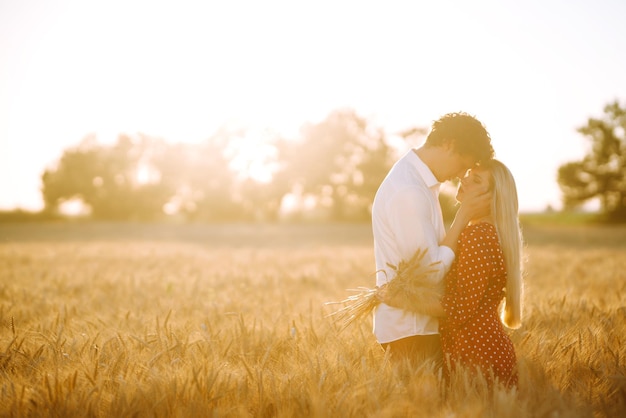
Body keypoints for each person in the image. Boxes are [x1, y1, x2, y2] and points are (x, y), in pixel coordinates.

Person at [371, 111, 494, 365]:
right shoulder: (409, 190)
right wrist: (464, 216)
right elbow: (428, 272)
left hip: (416, 325)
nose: (462, 175)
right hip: (411, 329)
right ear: (449, 144)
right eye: (463, 164)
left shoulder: (417, 182)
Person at [438, 159, 523, 388]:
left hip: (475, 352)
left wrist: (403, 300)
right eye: (467, 173)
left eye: (476, 180)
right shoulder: (485, 231)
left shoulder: (479, 235)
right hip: (480, 347)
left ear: (492, 198)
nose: (463, 179)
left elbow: (459, 308)